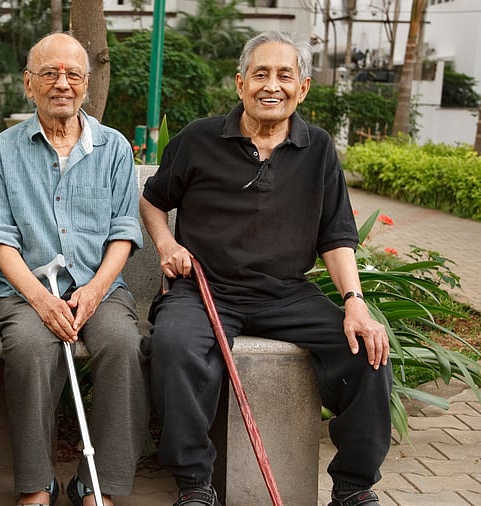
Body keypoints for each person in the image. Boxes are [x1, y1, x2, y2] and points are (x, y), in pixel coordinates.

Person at [140, 31, 392, 506]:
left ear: (303, 87)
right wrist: (167, 243)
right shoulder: (198, 139)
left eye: (284, 75)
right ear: (240, 84)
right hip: (204, 291)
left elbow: (336, 238)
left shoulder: (318, 149)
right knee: (174, 346)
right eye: (260, 74)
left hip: (286, 294)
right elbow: (153, 202)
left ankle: (354, 488)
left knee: (367, 351)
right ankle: (196, 485)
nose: (271, 85)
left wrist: (355, 304)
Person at [0, 33, 149, 506]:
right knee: (32, 346)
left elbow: (124, 231)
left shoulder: (113, 147)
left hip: (99, 286)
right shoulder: (3, 149)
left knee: (123, 346)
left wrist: (95, 291)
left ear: (86, 85)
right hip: (23, 290)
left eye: (73, 74)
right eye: (49, 73)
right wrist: (39, 297)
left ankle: (98, 486)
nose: (62, 84)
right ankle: (37, 486)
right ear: (28, 84)